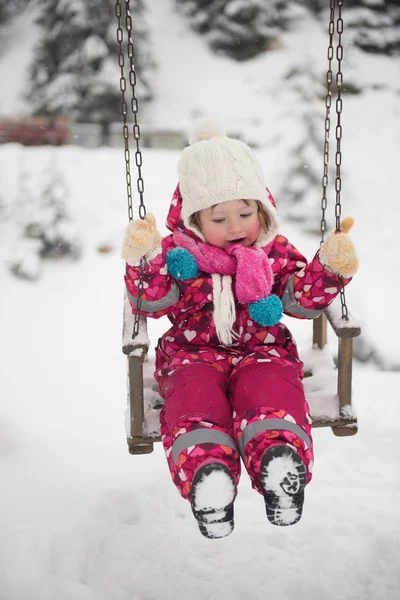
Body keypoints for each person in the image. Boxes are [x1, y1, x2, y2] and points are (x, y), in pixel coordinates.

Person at [122, 118, 358, 539]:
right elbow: (152, 301)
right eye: (219, 218)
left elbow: (300, 301)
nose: (235, 227)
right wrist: (143, 260)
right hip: (190, 354)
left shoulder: (274, 252)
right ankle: (207, 477)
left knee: (272, 389)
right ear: (193, 220)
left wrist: (329, 268)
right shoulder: (179, 256)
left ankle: (279, 460)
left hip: (264, 350)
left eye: (246, 213)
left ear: (262, 210)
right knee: (193, 402)